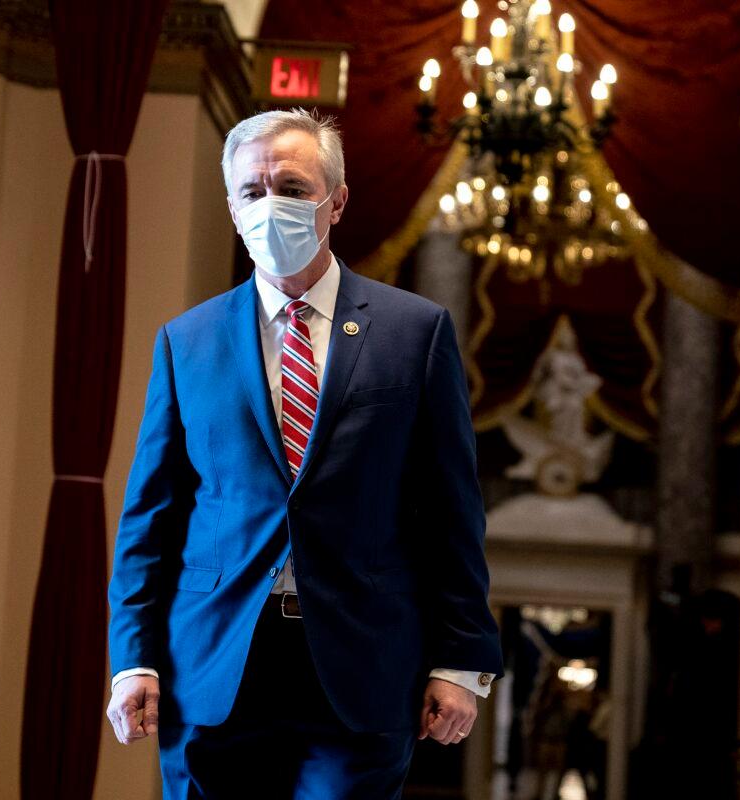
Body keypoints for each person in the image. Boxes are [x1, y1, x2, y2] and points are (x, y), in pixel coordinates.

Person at [106, 108, 503, 799]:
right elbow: (151, 519)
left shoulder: (416, 335)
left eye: (292, 188)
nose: (271, 207)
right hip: (215, 662)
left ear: (336, 201)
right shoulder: (186, 342)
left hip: (362, 665)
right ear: (232, 208)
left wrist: (462, 659)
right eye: (252, 193)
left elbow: (452, 512)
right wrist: (132, 660)